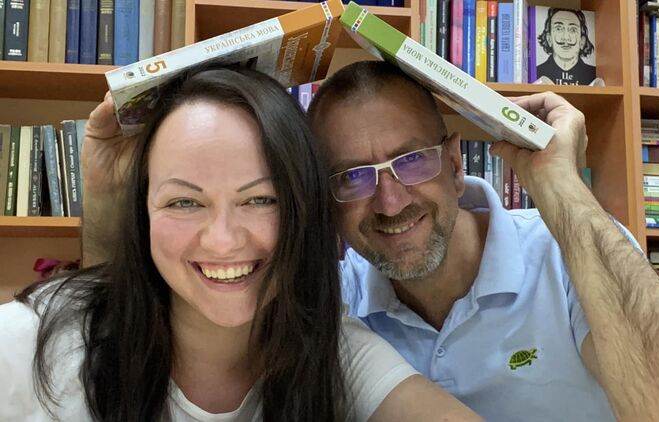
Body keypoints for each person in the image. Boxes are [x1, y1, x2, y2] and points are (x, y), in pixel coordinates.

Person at [82, 62, 659, 421]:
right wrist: (110, 198)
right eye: (352, 177)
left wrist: (559, 187)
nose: (390, 201)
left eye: (410, 161)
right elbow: (130, 334)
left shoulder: (570, 253)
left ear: (453, 161)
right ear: (321, 199)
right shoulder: (327, 305)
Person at [0, 67, 482, 421]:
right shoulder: (31, 344)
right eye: (185, 202)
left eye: (259, 199)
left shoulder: (329, 345)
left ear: (302, 211)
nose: (224, 240)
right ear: (142, 212)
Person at [535, 8, 596, 85]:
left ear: (582, 41)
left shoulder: (594, 76)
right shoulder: (536, 74)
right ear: (549, 39)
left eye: (573, 30)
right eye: (558, 29)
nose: (566, 37)